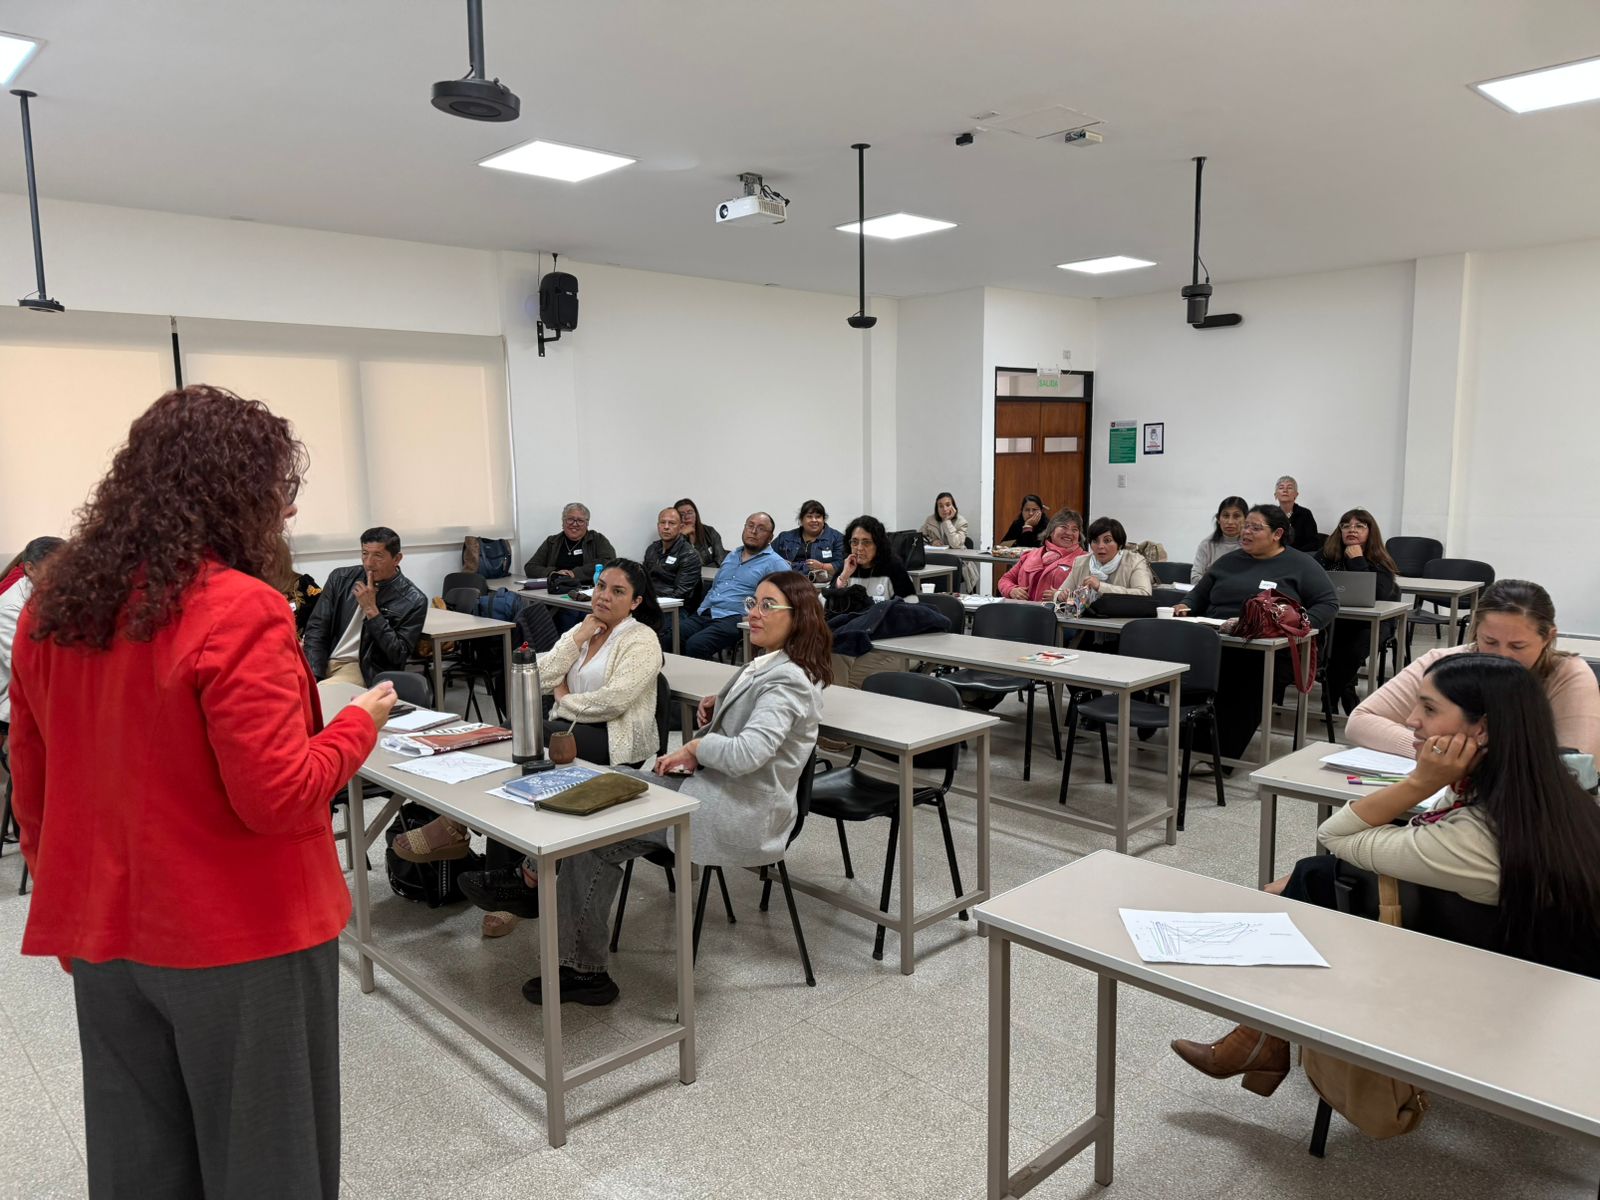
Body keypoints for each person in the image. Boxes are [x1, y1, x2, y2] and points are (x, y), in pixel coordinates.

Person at [8, 385, 394, 1196]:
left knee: (140, 1167)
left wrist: (72, 909)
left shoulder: (54, 613)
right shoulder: (240, 609)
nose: (287, 512)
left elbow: (34, 784)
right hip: (243, 941)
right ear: (230, 495)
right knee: (267, 1167)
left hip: (108, 937)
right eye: (277, 490)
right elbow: (278, 796)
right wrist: (356, 726)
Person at [1170, 653, 1600, 1095]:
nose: (1411, 720)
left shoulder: (1476, 833)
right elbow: (1416, 832)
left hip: (1507, 986)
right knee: (1319, 877)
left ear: (1482, 730)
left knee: (1318, 879)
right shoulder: (1546, 786)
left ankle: (1261, 1037)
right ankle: (1261, 1036)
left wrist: (1420, 782)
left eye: (1429, 708)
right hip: (1527, 956)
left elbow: (1334, 833)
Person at [457, 571, 829, 1006]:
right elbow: (751, 731)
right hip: (712, 791)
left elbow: (748, 753)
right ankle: (567, 943)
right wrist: (719, 708)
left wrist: (696, 746)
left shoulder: (788, 680)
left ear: (799, 616)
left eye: (768, 605)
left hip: (738, 811)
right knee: (602, 795)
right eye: (753, 603)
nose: (754, 613)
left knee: (597, 814)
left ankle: (537, 893)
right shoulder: (766, 665)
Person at [395, 560, 664, 899]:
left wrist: (564, 698)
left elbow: (614, 702)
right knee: (518, 753)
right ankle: (503, 876)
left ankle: (463, 835)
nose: (604, 596)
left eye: (618, 591)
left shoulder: (642, 640)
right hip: (571, 729)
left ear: (636, 602)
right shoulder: (585, 628)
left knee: (523, 739)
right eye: (601, 587)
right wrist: (578, 638)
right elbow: (537, 675)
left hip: (615, 738)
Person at [1348, 579, 1600, 759]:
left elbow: (1579, 765)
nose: (1501, 656)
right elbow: (1361, 721)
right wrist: (1433, 752)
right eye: (1489, 641)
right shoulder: (1444, 662)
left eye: (1518, 646)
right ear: (1475, 630)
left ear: (1548, 638)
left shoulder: (1568, 675)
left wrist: (1468, 761)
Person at [1174, 504, 1337, 759]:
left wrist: (1297, 628)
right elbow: (1198, 594)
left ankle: (1220, 756)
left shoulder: (1301, 564)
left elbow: (1328, 604)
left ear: (1277, 534)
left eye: (1255, 528)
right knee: (1185, 671)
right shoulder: (1229, 561)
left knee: (1245, 680)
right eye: (1246, 526)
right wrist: (1185, 605)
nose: (1246, 532)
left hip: (1270, 649)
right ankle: (1190, 740)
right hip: (1218, 641)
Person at [300, 526, 428, 686]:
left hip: (361, 667)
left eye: (378, 556)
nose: (369, 563)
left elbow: (398, 655)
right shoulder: (340, 578)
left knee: (321, 693)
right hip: (325, 658)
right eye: (365, 553)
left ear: (397, 559)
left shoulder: (413, 600)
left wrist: (371, 611)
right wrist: (314, 674)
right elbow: (317, 629)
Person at [1318, 508, 1402, 714]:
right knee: (1321, 646)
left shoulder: (1379, 559)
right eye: (1346, 526)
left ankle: (1330, 696)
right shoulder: (1327, 556)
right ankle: (1346, 689)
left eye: (1359, 526)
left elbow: (1379, 594)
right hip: (1336, 621)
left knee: (1351, 651)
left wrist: (1358, 560)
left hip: (1372, 624)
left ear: (1370, 531)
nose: (1352, 530)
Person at [674, 512, 786, 659]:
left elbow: (785, 600)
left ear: (770, 537)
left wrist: (752, 618)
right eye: (750, 526)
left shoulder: (775, 563)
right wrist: (702, 608)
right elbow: (715, 586)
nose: (753, 531)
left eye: (761, 528)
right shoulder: (732, 555)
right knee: (670, 636)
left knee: (696, 645)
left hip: (736, 617)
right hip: (708, 612)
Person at [0, 537, 64, 729]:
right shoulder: (10, 608)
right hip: (12, 707)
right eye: (55, 568)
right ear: (30, 569)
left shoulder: (49, 594)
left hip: (41, 697)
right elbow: (26, 667)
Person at [1051, 517, 1153, 601]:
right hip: (1086, 618)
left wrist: (1100, 587)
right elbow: (1060, 591)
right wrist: (1060, 596)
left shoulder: (1134, 561)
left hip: (1123, 618)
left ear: (1120, 544)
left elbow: (1144, 594)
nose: (1100, 546)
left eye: (1107, 540)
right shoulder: (1081, 562)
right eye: (1095, 541)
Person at [995, 510, 1086, 602]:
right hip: (1023, 609)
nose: (1069, 533)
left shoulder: (1085, 560)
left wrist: (1060, 597)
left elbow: (1088, 597)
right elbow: (1005, 579)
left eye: (1074, 530)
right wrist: (1011, 590)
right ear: (1051, 531)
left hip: (1057, 611)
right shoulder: (1030, 555)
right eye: (1064, 527)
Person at [523, 502, 616, 584]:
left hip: (586, 590)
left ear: (587, 523)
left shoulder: (598, 539)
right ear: (563, 522)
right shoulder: (551, 542)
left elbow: (609, 562)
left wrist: (575, 573)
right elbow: (530, 567)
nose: (575, 524)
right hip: (555, 589)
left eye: (580, 521)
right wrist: (553, 573)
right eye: (570, 519)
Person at [834, 515, 915, 602]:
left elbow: (910, 605)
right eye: (855, 542)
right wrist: (844, 577)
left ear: (878, 544)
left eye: (866, 542)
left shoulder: (894, 568)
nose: (859, 548)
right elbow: (827, 602)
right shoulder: (848, 566)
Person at [773, 500, 846, 581]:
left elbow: (841, 565)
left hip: (823, 585)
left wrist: (822, 566)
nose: (814, 520)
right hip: (788, 582)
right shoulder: (785, 537)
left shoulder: (837, 538)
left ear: (823, 519)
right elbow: (769, 557)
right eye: (809, 516)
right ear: (801, 520)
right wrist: (783, 564)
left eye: (818, 517)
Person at [920, 491, 978, 592]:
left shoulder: (962, 522)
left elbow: (955, 544)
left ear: (953, 507)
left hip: (957, 562)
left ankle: (948, 598)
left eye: (948, 505)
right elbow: (920, 537)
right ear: (937, 508)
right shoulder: (930, 520)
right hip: (936, 561)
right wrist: (932, 541)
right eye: (940, 506)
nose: (944, 509)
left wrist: (947, 521)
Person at [643, 506, 702, 602]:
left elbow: (681, 594)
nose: (666, 527)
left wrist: (652, 603)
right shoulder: (652, 549)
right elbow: (643, 580)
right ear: (658, 526)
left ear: (681, 527)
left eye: (672, 523)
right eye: (662, 522)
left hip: (676, 606)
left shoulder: (689, 555)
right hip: (652, 601)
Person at [1190, 496, 1247, 583]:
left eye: (1236, 516)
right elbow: (1195, 578)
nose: (1230, 522)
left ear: (1246, 519)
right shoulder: (1207, 544)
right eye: (1226, 516)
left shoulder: (1252, 546)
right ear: (1218, 519)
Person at [1274, 475, 1321, 553]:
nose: (1285, 490)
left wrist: (1295, 554)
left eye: (1289, 488)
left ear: (1296, 494)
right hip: (1276, 555)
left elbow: (1313, 542)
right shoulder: (1271, 515)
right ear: (1275, 495)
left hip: (1300, 555)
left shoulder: (1305, 514)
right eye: (1281, 488)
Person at [675, 497, 726, 568]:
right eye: (682, 514)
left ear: (696, 514)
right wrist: (681, 535)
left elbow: (720, 560)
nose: (687, 517)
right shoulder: (674, 535)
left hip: (710, 573)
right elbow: (673, 561)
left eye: (690, 512)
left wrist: (704, 571)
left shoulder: (710, 532)